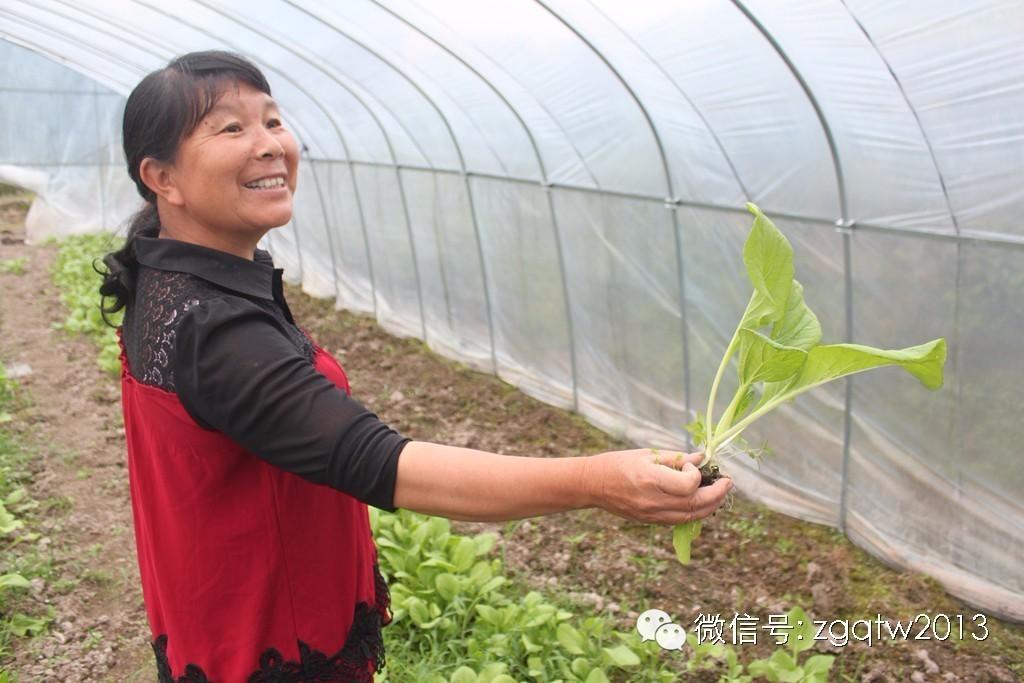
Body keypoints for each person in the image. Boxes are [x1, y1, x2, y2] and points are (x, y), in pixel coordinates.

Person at [98, 50, 732, 683]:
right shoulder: (217, 328)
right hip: (273, 643)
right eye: (231, 128)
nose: (269, 146)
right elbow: (381, 463)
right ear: (163, 177)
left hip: (215, 615)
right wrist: (598, 482)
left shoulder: (172, 276)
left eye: (273, 120)